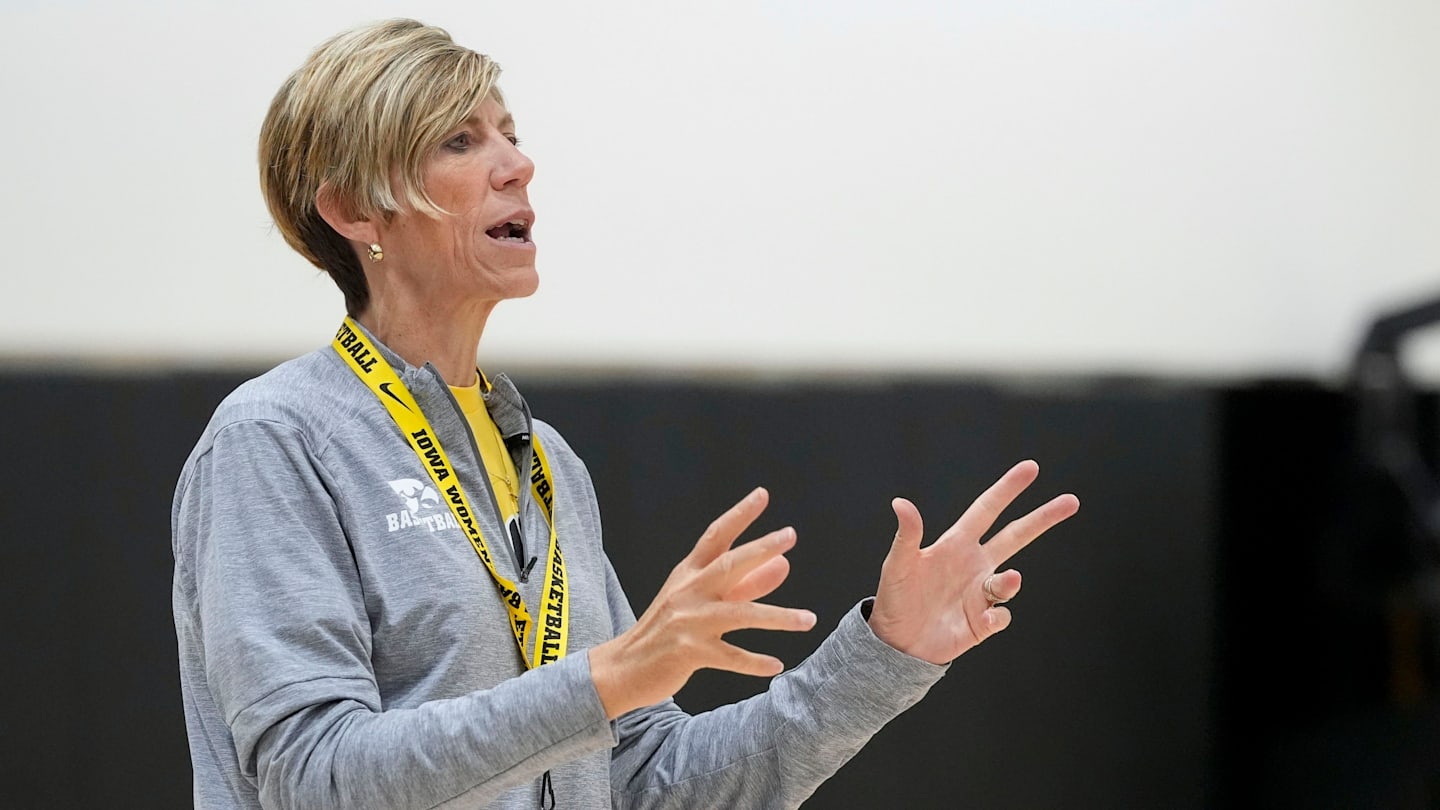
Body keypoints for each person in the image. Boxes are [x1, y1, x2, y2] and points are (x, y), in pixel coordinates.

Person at [171, 18, 1080, 810]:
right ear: (352, 210)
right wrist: (612, 675)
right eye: (459, 140)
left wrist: (887, 653)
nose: (518, 164)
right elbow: (314, 779)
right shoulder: (277, 442)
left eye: (509, 133)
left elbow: (647, 780)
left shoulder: (546, 463)